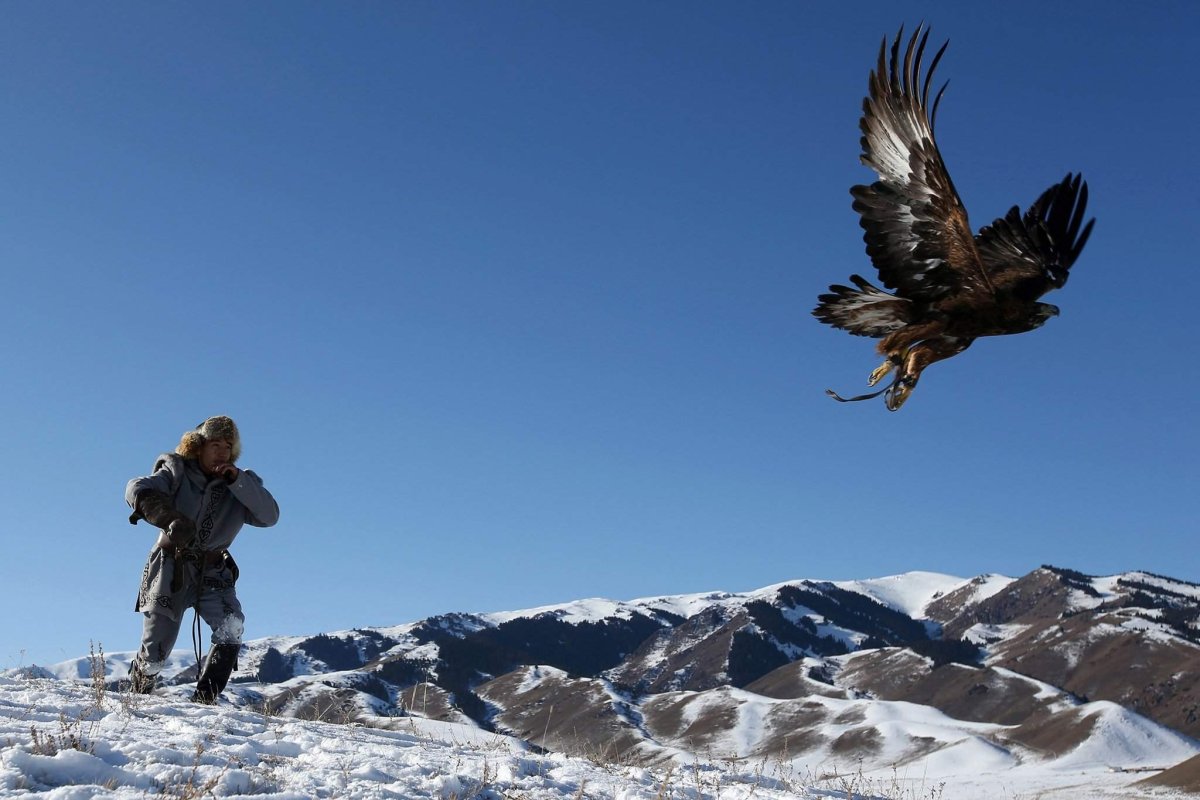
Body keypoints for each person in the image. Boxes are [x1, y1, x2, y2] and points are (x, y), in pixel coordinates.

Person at [125, 415, 279, 703]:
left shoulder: (243, 483)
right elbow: (136, 488)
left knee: (231, 626)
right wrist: (168, 518)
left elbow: (269, 516)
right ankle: (135, 699)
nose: (222, 452)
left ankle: (204, 702)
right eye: (215, 445)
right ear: (199, 447)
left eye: (228, 446)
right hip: (171, 566)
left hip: (214, 570)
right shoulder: (176, 470)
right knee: (155, 654)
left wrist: (238, 482)